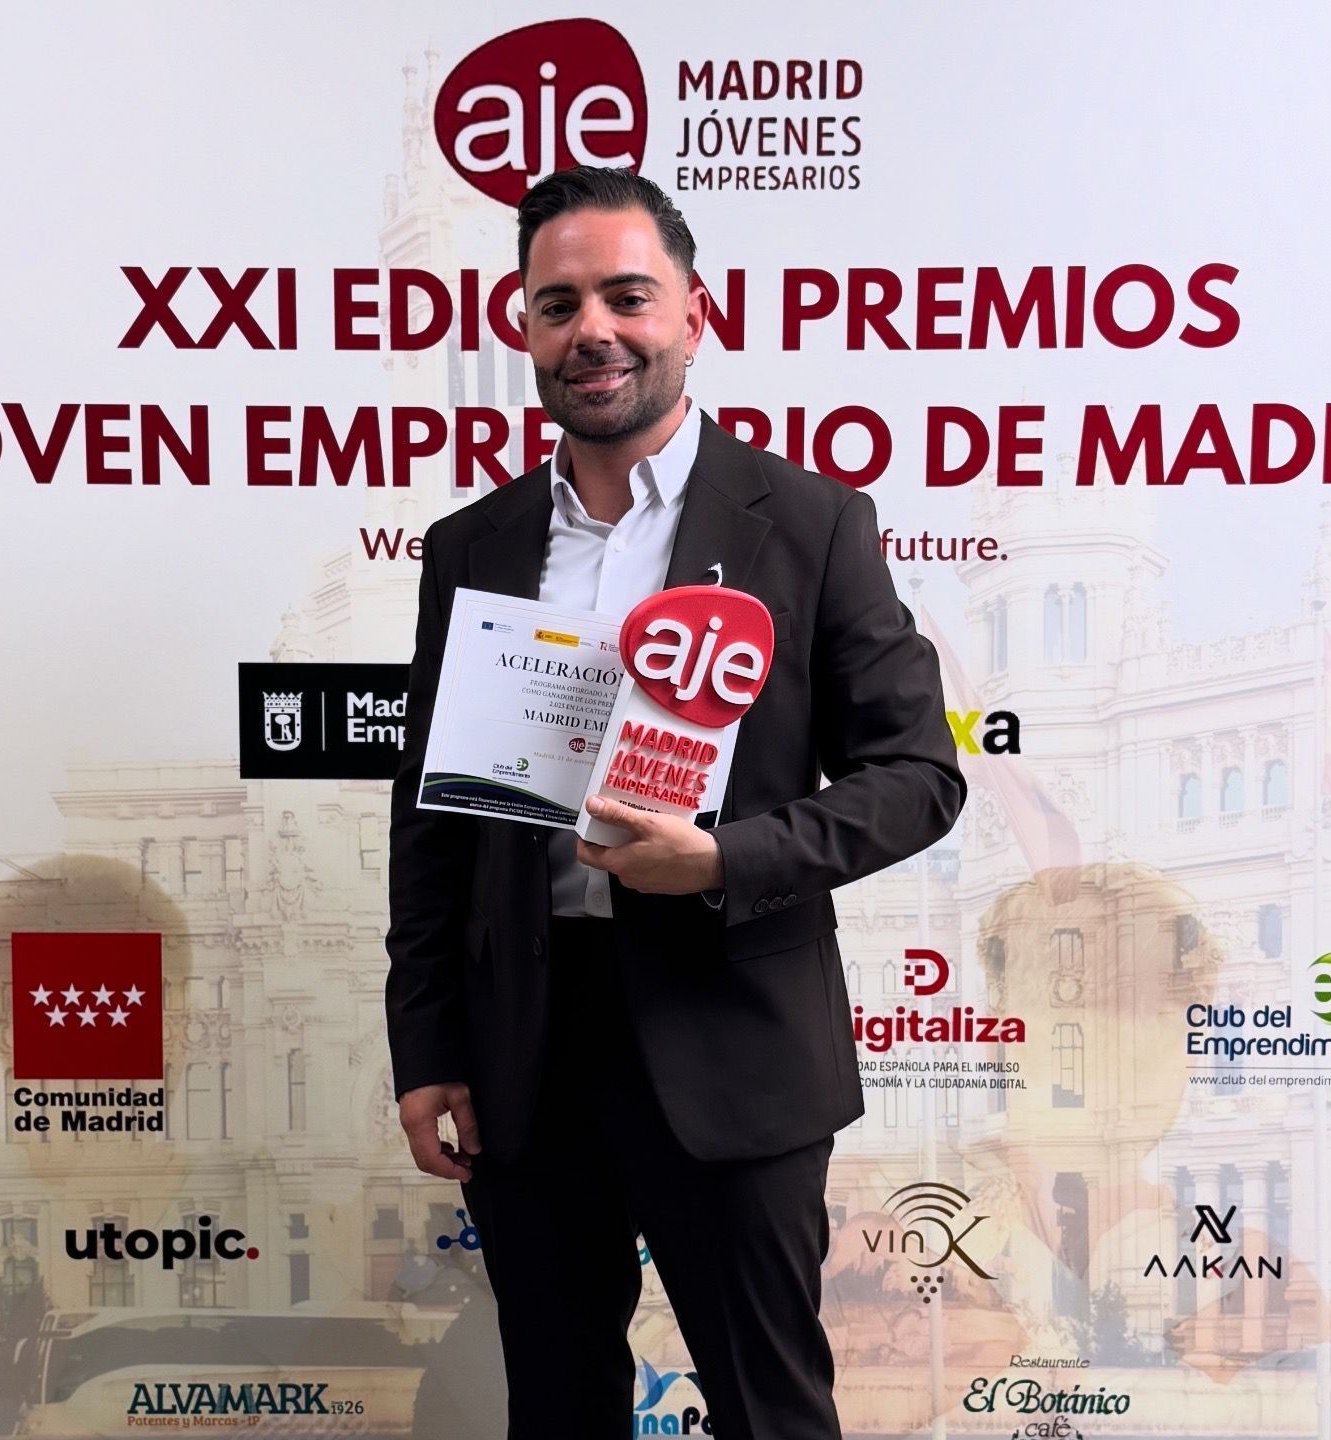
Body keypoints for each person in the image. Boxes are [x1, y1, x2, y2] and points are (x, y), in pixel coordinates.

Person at [385, 165, 965, 1440]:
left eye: (627, 296)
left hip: (734, 1042)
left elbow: (920, 779)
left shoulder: (809, 524)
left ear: (694, 313)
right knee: (557, 1410)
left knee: (770, 1413)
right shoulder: (471, 546)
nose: (592, 329)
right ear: (525, 327)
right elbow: (431, 824)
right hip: (526, 1053)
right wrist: (427, 1048)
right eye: (559, 304)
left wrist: (724, 858)